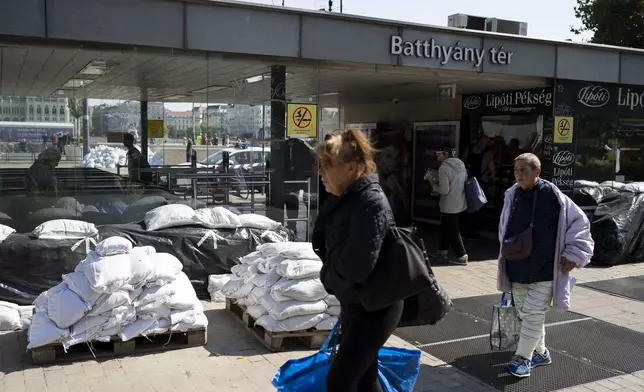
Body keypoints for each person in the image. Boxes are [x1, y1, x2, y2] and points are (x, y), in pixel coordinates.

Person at [312, 129, 402, 392]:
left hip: (376, 308)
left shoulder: (369, 201)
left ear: (351, 168)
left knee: (340, 381)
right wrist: (344, 298)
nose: (320, 173)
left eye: (327, 166)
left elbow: (357, 266)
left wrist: (333, 281)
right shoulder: (347, 198)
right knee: (365, 378)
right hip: (358, 302)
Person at [498, 153, 594, 378]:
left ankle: (522, 359)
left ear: (537, 171)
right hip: (517, 266)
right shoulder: (512, 195)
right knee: (525, 313)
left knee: (533, 313)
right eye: (516, 170)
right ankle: (540, 353)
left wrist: (575, 254)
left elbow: (580, 223)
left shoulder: (552, 195)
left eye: (524, 170)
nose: (519, 174)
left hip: (545, 267)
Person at [432, 145, 468, 266]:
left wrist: (433, 186)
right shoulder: (461, 163)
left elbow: (444, 190)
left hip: (449, 203)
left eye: (439, 153)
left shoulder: (444, 167)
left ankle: (461, 255)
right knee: (445, 226)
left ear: (445, 154)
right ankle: (442, 250)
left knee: (452, 229)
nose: (437, 155)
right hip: (460, 201)